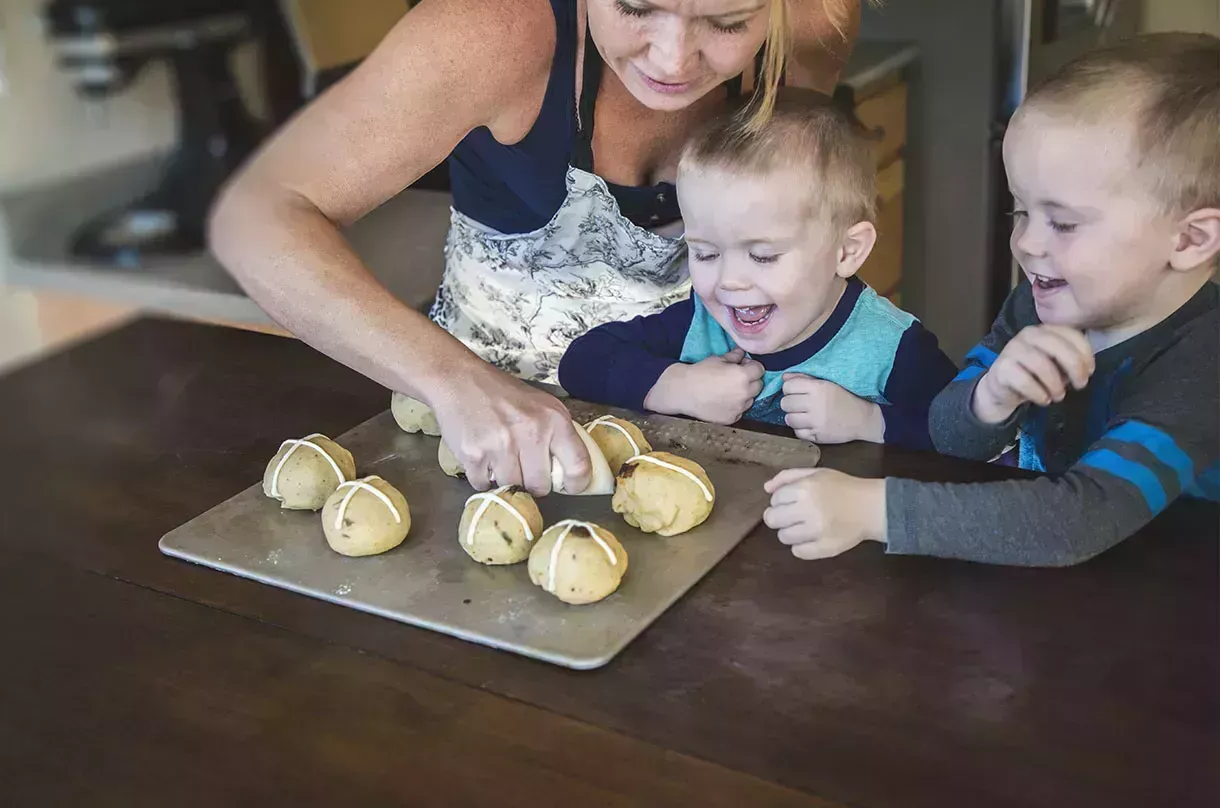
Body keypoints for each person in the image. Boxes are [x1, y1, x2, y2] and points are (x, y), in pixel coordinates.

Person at [208, 0, 860, 495]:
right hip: (490, 455)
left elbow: (788, 202)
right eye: (635, 6)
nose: (672, 59)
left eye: (726, 22)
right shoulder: (491, 28)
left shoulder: (809, 26)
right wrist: (457, 383)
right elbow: (255, 216)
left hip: (718, 436)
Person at [762, 33, 1220, 566]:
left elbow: (1081, 517)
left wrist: (874, 509)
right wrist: (991, 396)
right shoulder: (1038, 305)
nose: (1026, 242)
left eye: (1063, 222)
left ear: (1189, 240)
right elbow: (950, 437)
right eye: (1020, 212)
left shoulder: (1202, 364)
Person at [559, 91, 957, 449]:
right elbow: (582, 362)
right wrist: (677, 386)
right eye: (706, 254)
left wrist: (871, 423)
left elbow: (968, 436)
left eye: (763, 256)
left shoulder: (891, 347)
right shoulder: (702, 325)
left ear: (846, 251)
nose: (730, 281)